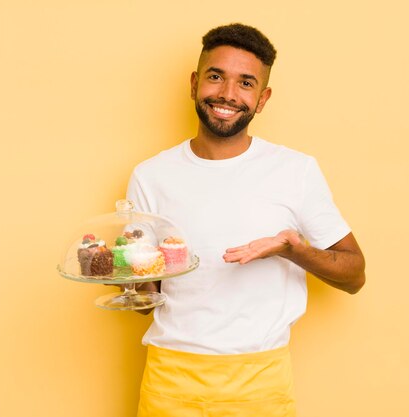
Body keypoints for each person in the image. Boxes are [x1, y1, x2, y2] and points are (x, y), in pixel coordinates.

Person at [126, 23, 366, 417]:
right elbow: (142, 303)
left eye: (246, 83)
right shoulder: (150, 175)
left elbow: (355, 275)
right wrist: (126, 268)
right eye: (215, 77)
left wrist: (294, 251)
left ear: (263, 98)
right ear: (194, 83)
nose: (227, 94)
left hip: (261, 382)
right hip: (169, 378)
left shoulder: (295, 170)